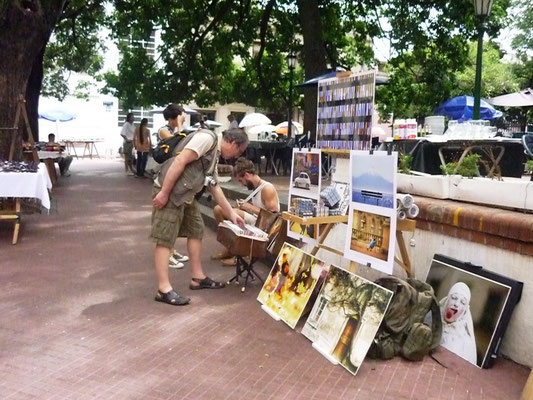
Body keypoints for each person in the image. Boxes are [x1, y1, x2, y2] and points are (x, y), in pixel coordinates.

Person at [151, 114, 249, 306]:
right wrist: (163, 192)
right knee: (164, 237)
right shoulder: (207, 139)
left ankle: (197, 277)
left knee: (196, 229)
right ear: (233, 143)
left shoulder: (214, 153)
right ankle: (163, 289)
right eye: (239, 152)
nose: (236, 157)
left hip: (186, 195)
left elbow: (214, 186)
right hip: (171, 192)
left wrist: (231, 215)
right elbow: (180, 162)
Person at [212, 157, 280, 265]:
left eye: (241, 180)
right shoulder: (256, 187)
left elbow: (274, 217)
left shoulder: (267, 188)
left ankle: (237, 254)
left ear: (247, 175)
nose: (241, 184)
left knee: (222, 211)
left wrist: (249, 208)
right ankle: (230, 248)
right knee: (219, 210)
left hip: (264, 226)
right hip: (256, 219)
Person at [154, 104, 190, 269]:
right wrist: (181, 125)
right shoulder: (163, 130)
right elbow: (179, 143)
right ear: (174, 116)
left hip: (174, 173)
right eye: (181, 116)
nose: (182, 119)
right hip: (165, 173)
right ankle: (166, 254)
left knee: (174, 219)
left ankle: (171, 249)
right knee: (166, 218)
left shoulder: (174, 128)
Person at [439, 282, 477, 365]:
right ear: (447, 299)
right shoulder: (431, 319)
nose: (456, 304)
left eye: (462, 302)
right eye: (454, 297)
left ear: (464, 311)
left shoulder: (465, 343)